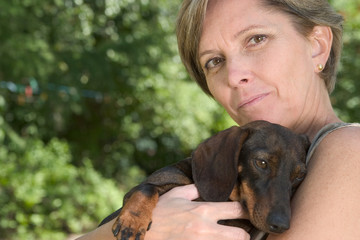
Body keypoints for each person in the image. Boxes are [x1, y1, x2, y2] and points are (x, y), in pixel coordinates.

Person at [77, 0, 360, 239]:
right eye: (214, 61)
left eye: (256, 39)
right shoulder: (229, 171)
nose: (234, 76)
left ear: (317, 46)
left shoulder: (350, 152)